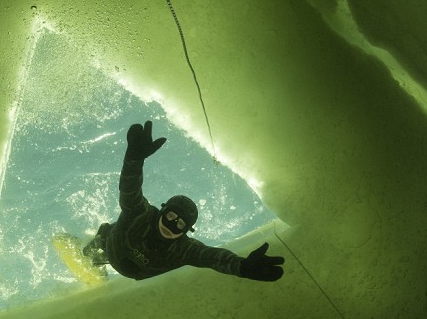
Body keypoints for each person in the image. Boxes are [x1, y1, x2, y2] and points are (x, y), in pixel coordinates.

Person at [82, 121, 285, 282]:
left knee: (106, 259)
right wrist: (134, 159)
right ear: (162, 211)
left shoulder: (183, 249)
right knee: (94, 247)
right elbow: (130, 189)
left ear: (187, 230)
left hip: (123, 261)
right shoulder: (141, 213)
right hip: (113, 242)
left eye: (180, 224)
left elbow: (213, 257)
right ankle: (98, 240)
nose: (172, 225)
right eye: (170, 216)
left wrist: (243, 267)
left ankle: (102, 261)